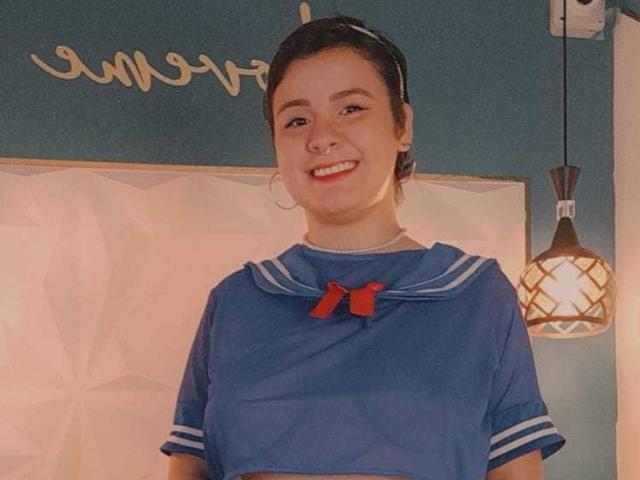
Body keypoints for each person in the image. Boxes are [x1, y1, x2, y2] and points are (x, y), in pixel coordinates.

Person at [160, 15, 565, 480]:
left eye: (350, 108)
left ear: (402, 124)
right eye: (296, 120)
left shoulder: (476, 297)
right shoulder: (235, 301)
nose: (321, 137)